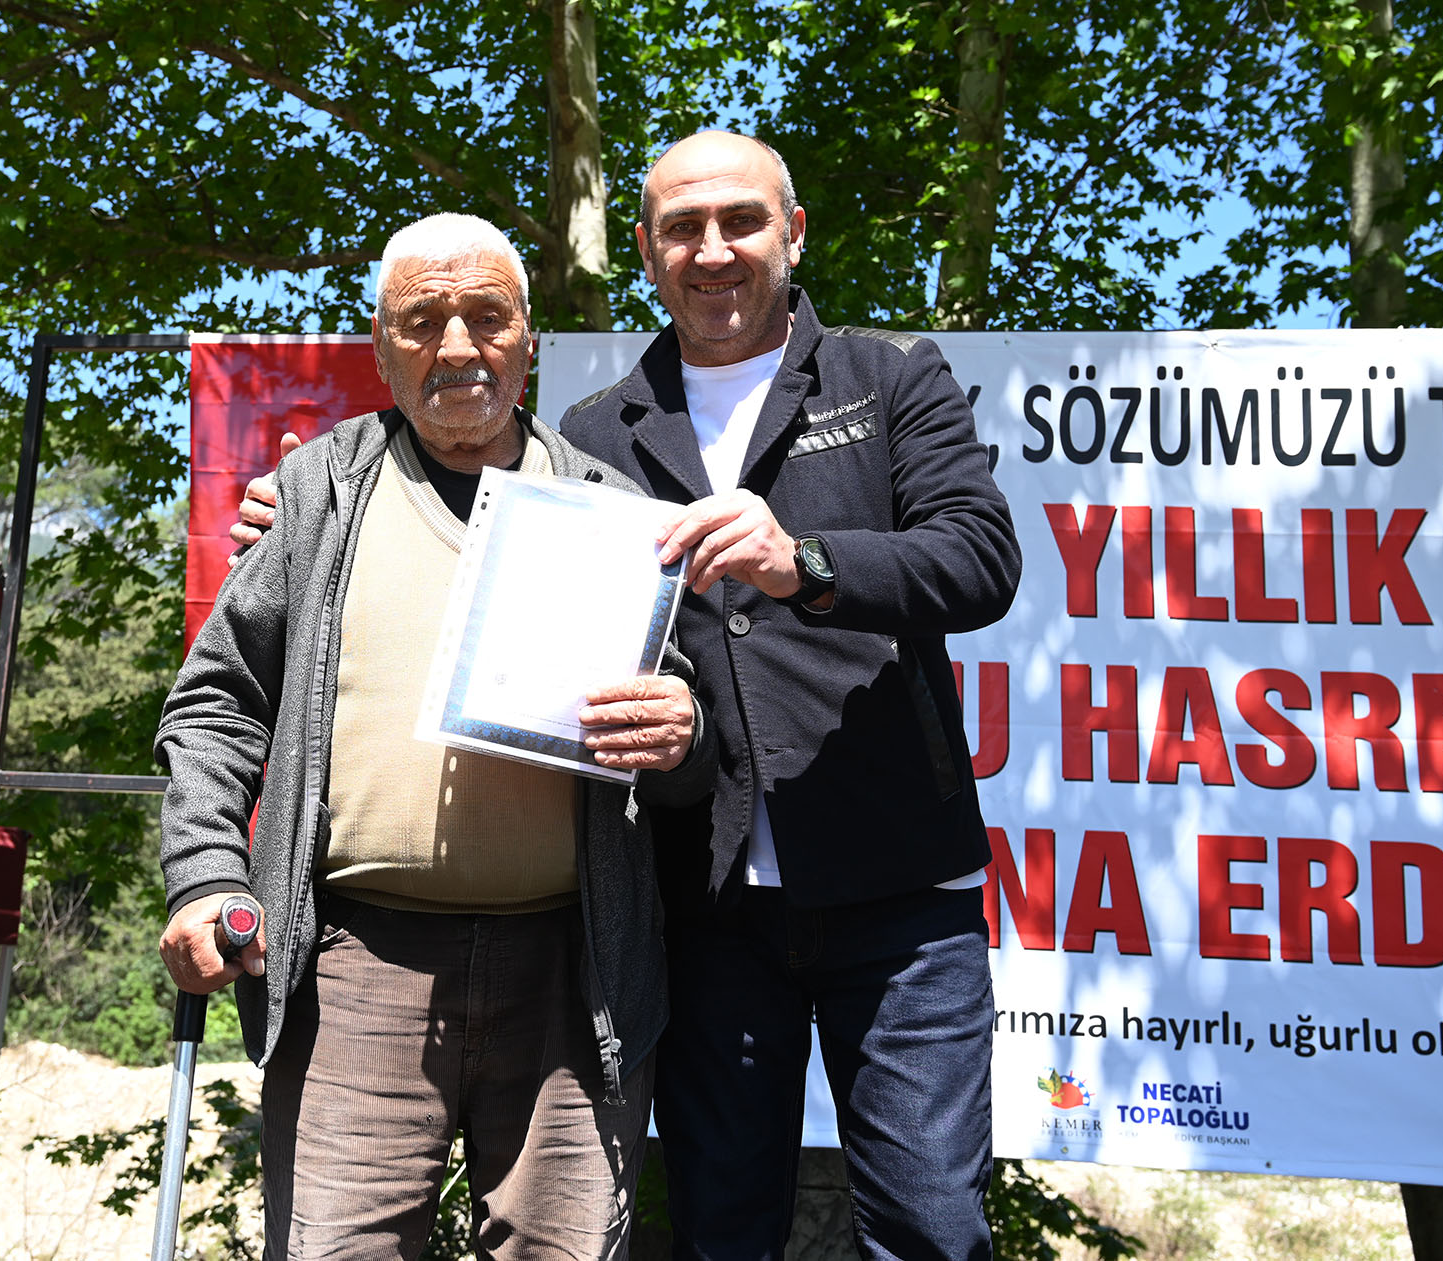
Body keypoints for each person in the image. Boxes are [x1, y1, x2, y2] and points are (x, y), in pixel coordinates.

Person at [234, 134, 1020, 1260]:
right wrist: (295, 511)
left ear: (794, 234)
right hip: (700, 908)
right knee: (718, 1229)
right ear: (647, 253)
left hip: (898, 891)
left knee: (932, 1229)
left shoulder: (888, 378)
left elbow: (980, 560)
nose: (714, 249)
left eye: (742, 221)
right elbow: (446, 535)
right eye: (682, 229)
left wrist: (804, 561)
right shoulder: (593, 435)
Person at [161, 212, 713, 1261]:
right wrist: (203, 875)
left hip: (573, 980)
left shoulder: (611, 509)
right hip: (353, 972)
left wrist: (681, 732)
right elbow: (217, 703)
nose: (458, 346)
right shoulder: (319, 493)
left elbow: (680, 737)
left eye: (487, 317)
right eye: (423, 321)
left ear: (529, 339)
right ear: (382, 348)